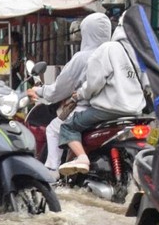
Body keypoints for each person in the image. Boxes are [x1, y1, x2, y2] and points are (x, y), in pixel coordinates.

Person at [25, 12, 111, 173]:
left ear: (86, 32)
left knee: (54, 128)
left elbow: (60, 89)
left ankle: (52, 171)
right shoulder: (115, 54)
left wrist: (41, 90)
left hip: (89, 108)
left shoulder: (82, 58)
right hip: (119, 108)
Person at [56, 24, 147, 175]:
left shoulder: (108, 49)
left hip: (108, 110)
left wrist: (80, 95)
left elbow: (94, 83)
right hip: (135, 111)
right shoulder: (139, 53)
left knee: (68, 127)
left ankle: (82, 158)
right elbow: (147, 84)